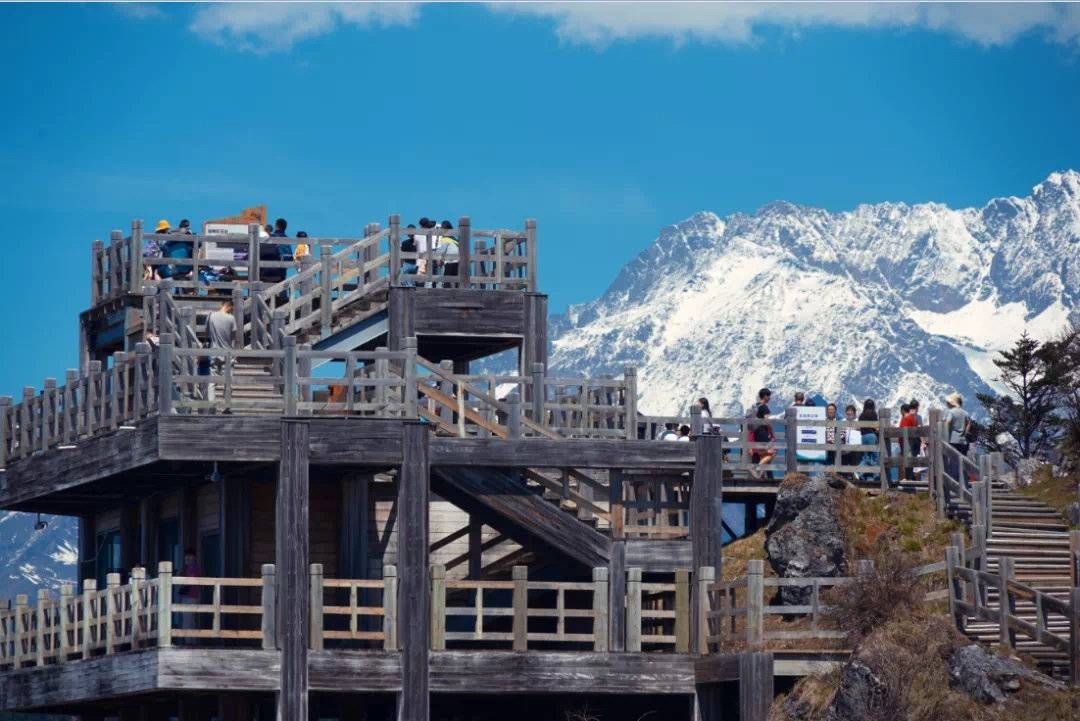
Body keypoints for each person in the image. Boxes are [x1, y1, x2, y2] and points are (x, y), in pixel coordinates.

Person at [945, 392, 971, 483]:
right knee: (962, 461)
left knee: (953, 461)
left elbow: (948, 422)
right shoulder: (965, 413)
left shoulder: (951, 412)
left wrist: (946, 433)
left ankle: (954, 482)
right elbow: (968, 424)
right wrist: (964, 433)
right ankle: (963, 481)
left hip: (953, 440)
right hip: (963, 441)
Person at [177, 548, 201, 642]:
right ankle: (192, 641)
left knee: (187, 620)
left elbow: (190, 582)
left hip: (190, 596)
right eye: (186, 556)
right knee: (190, 620)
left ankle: (188, 642)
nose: (187, 558)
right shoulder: (189, 568)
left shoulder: (193, 568)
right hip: (190, 596)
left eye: (189, 556)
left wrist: (182, 590)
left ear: (194, 557)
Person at [749, 404, 777, 479]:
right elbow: (766, 419)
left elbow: (751, 433)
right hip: (762, 437)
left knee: (764, 456)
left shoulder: (754, 422)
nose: (768, 415)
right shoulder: (762, 423)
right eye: (767, 413)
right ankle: (757, 469)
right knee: (772, 453)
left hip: (758, 440)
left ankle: (759, 474)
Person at [858, 399, 879, 481]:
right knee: (874, 457)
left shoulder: (861, 415)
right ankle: (860, 471)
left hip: (863, 437)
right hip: (871, 436)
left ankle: (867, 476)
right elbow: (875, 427)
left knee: (866, 457)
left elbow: (860, 427)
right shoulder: (873, 414)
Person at [436, 219, 460, 285]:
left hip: (450, 262)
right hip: (458, 262)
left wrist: (439, 261)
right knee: (457, 282)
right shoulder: (455, 240)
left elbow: (441, 252)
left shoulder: (445, 239)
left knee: (447, 282)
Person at [840, 404, 861, 472]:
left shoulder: (858, 422)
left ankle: (855, 477)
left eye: (851, 411)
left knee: (854, 465)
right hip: (844, 448)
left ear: (854, 413)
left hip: (855, 448)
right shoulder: (843, 421)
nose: (849, 413)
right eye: (848, 411)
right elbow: (840, 434)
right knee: (844, 465)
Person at [824, 403, 839, 468]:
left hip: (835, 446)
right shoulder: (823, 421)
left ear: (835, 411)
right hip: (824, 445)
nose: (830, 411)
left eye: (832, 409)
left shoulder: (839, 422)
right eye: (829, 409)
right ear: (827, 411)